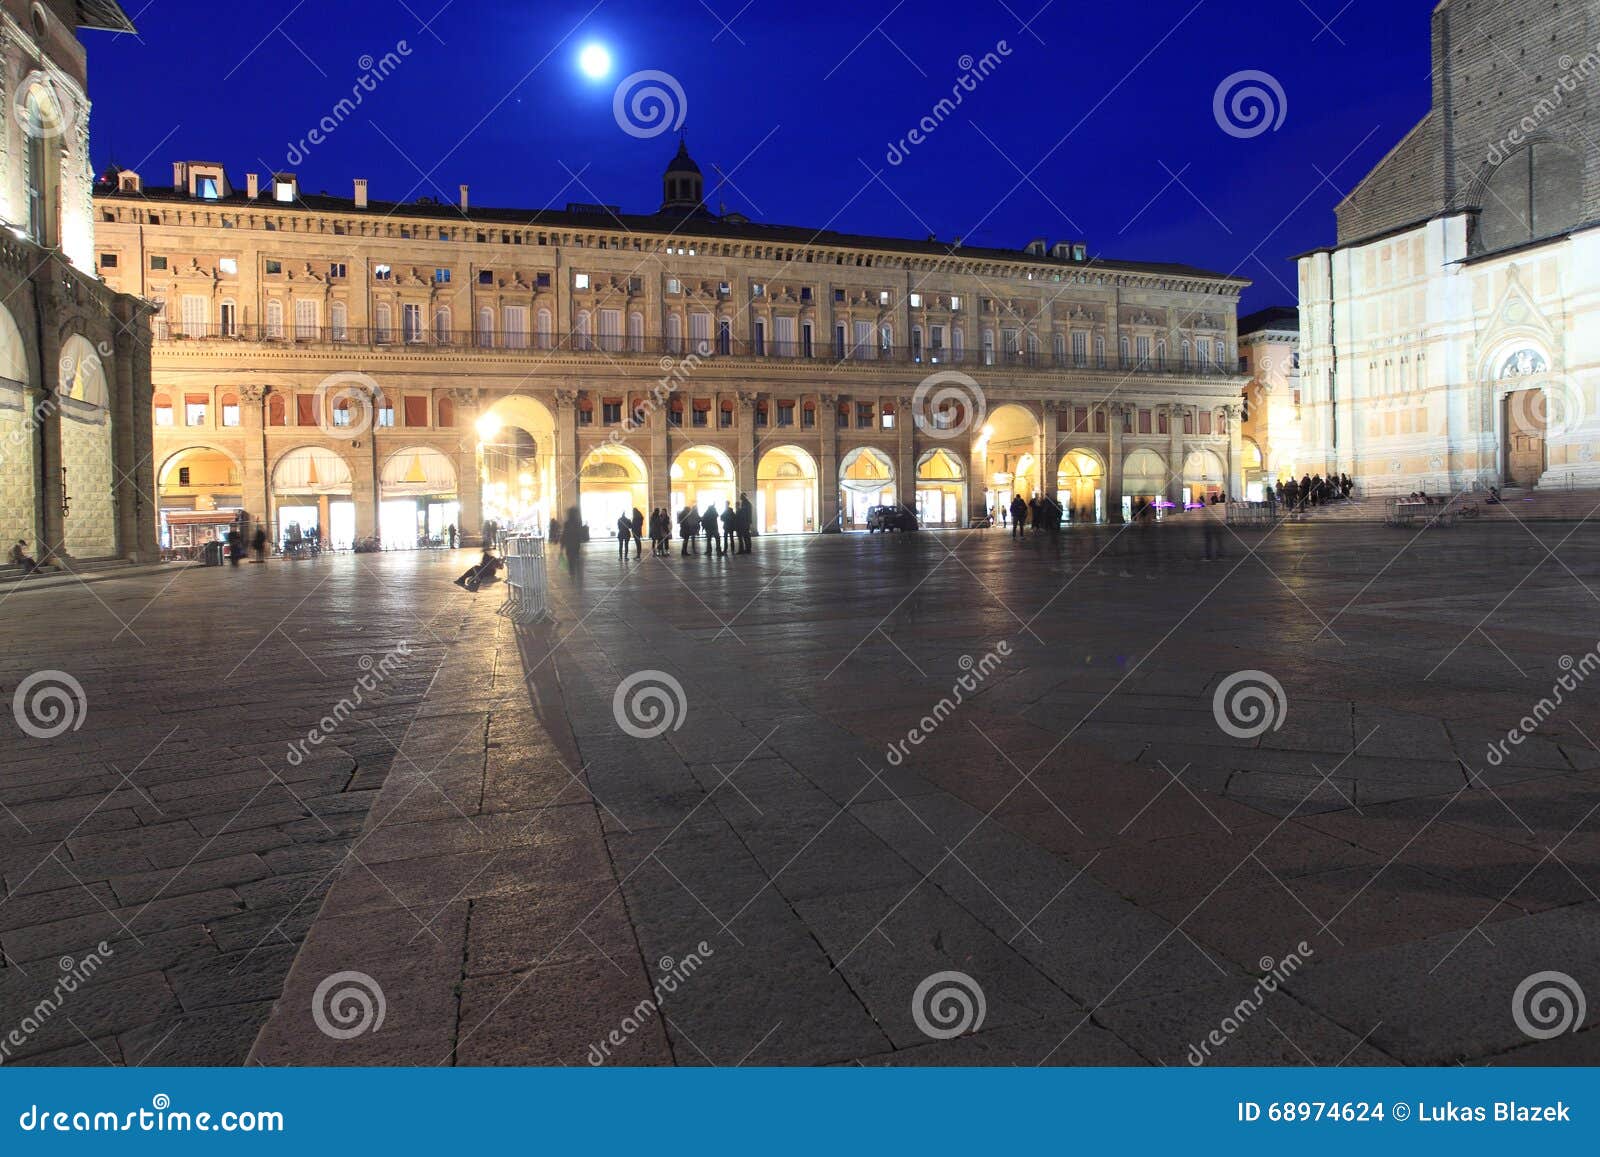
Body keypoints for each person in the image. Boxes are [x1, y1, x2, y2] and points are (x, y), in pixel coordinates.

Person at [559, 506, 584, 575]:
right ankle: (577, 571)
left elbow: (564, 535)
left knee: (570, 560)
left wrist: (561, 547)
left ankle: (572, 572)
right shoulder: (578, 522)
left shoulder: (567, 523)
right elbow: (580, 534)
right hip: (576, 545)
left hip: (569, 545)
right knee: (576, 557)